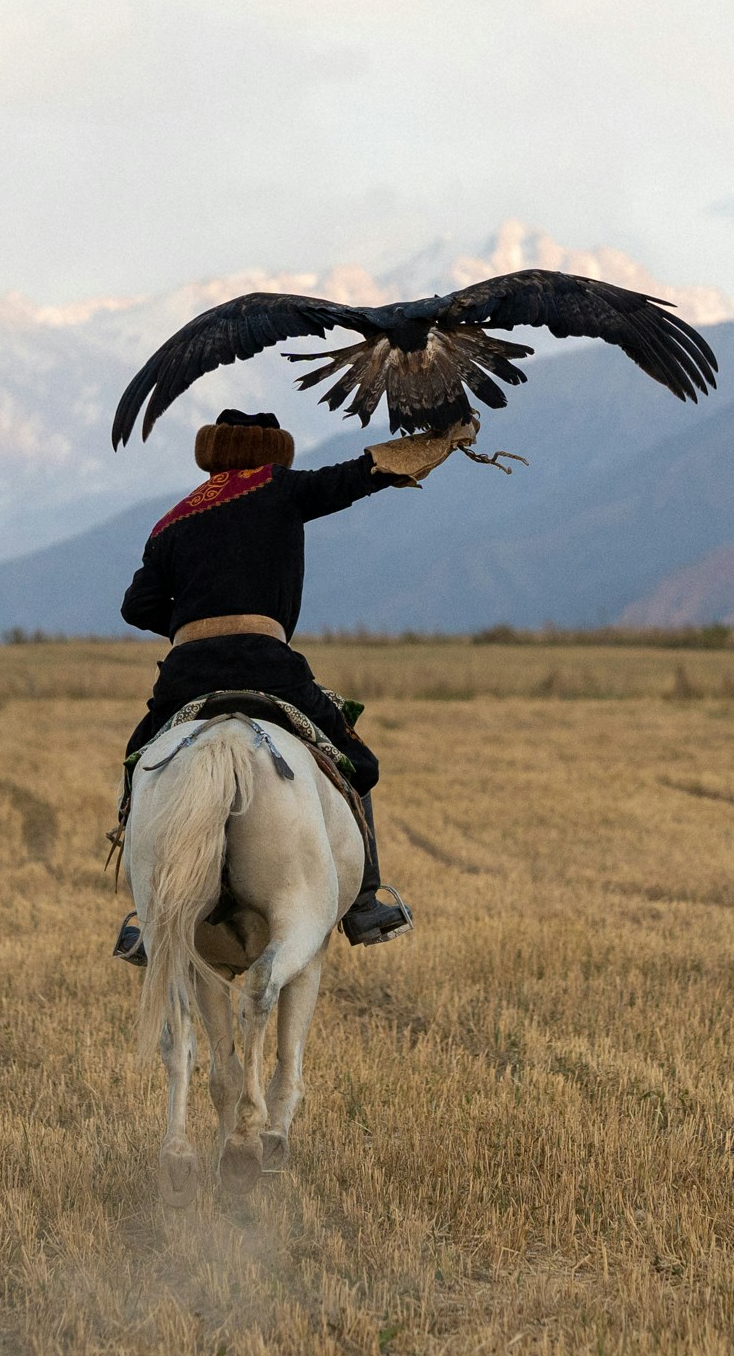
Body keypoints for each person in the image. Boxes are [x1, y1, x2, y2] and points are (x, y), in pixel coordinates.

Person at [108, 407, 472, 963]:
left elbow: (137, 607)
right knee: (353, 758)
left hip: (187, 674)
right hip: (266, 664)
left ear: (211, 453)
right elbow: (357, 477)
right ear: (271, 449)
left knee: (140, 763)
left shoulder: (172, 520)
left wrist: (196, 625)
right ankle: (364, 902)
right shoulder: (276, 488)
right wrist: (440, 442)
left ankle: (146, 915)